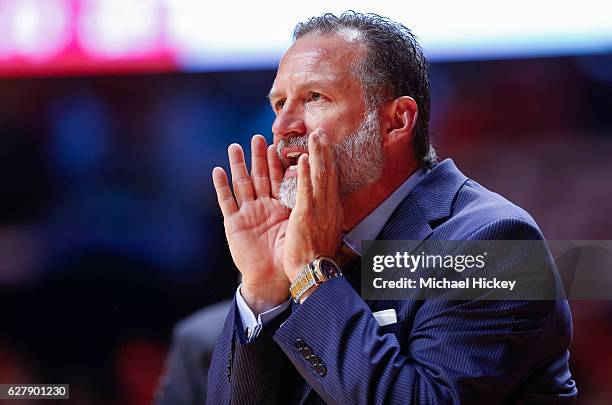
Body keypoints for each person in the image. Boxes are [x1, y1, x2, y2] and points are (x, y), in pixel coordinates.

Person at [207, 11, 577, 404]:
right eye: (280, 103)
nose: (283, 126)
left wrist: (312, 277)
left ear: (395, 122)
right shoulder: (299, 246)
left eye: (315, 98)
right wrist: (263, 293)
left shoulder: (494, 243)